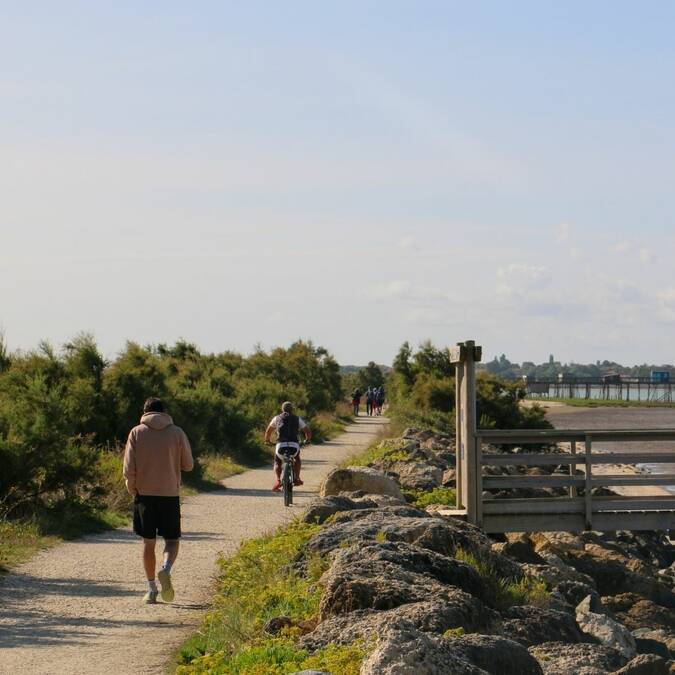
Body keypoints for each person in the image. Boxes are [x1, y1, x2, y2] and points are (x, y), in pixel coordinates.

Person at [123, 397, 193, 605]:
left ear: (144, 412)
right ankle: (166, 569)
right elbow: (188, 465)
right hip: (169, 494)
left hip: (144, 495)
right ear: (165, 411)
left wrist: (133, 488)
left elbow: (128, 469)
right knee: (171, 540)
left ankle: (152, 589)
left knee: (148, 542)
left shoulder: (136, 432)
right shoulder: (177, 432)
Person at [265, 401, 312, 492]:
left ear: (282, 409)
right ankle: (297, 478)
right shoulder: (297, 419)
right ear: (292, 410)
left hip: (280, 446)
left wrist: (267, 441)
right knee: (297, 458)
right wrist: (307, 440)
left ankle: (278, 480)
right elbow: (308, 431)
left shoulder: (276, 418)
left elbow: (268, 431)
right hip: (294, 446)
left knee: (278, 461)